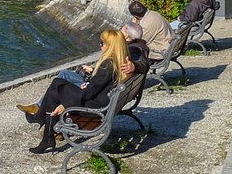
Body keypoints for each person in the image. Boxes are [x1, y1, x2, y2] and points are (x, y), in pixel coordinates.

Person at [22, 29, 129, 154]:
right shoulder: (116, 61)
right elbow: (97, 87)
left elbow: (89, 93)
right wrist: (88, 84)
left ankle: (44, 127)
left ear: (110, 46)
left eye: (102, 43)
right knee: (57, 85)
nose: (100, 46)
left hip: (96, 108)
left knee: (57, 85)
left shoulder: (107, 65)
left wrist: (66, 105)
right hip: (101, 101)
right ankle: (46, 131)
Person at [16, 22, 147, 113]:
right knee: (66, 75)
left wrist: (134, 65)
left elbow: (141, 64)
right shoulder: (130, 47)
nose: (119, 30)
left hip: (98, 94)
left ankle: (41, 109)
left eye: (122, 30)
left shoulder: (132, 49)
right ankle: (42, 110)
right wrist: (94, 69)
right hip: (105, 88)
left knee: (63, 78)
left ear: (126, 36)